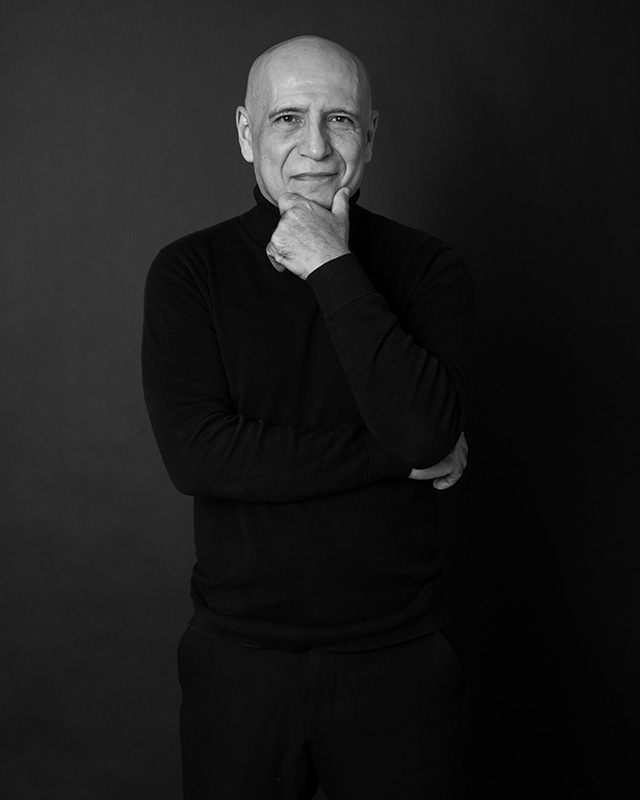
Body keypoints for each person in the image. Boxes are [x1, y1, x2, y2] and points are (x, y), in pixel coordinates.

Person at [142, 34, 474, 800]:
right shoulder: (189, 272)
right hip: (240, 660)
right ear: (246, 132)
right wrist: (396, 454)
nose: (317, 147)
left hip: (400, 658)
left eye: (341, 120)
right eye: (288, 118)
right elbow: (199, 455)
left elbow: (423, 428)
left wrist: (330, 264)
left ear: (371, 135)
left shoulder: (430, 270)